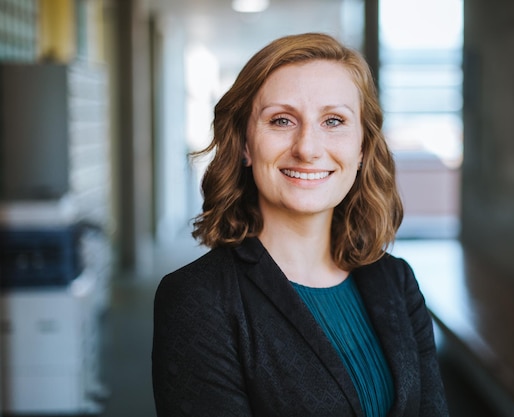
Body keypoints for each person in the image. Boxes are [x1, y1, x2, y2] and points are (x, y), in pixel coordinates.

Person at [152, 32, 449, 417]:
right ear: (245, 144)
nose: (307, 148)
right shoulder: (197, 299)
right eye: (281, 120)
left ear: (361, 148)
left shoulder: (397, 281)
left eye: (333, 120)